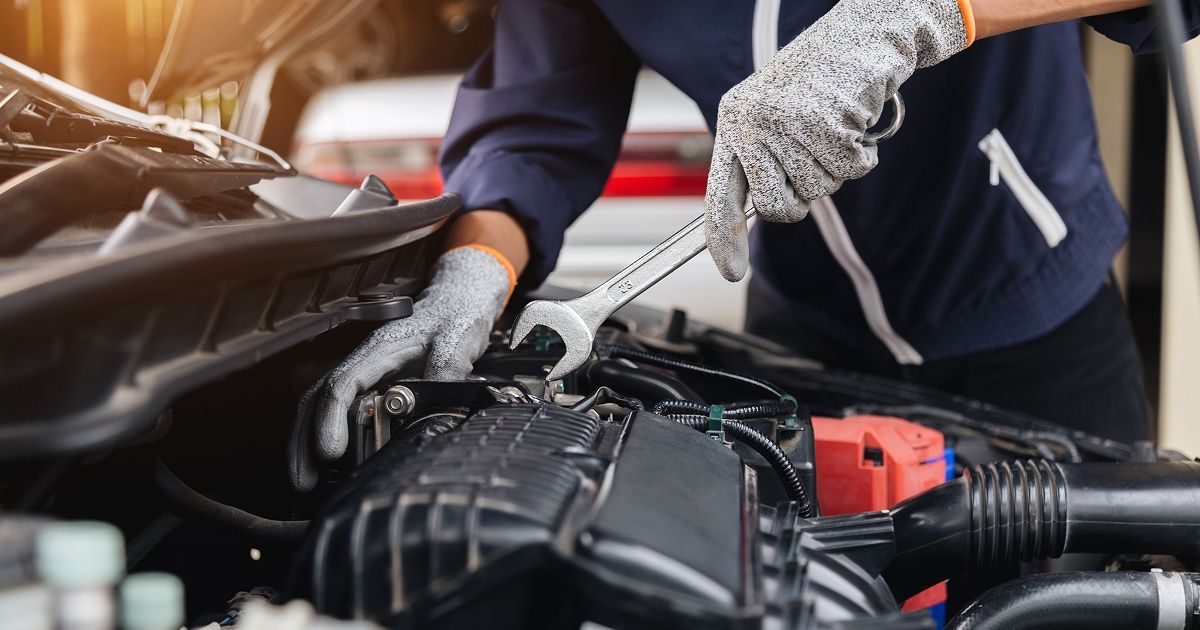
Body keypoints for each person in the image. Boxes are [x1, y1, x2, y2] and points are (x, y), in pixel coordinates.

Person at [293, 0, 1199, 487]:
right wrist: (474, 269)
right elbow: (536, 122)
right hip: (800, 330)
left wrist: (930, 9)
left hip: (1036, 315)